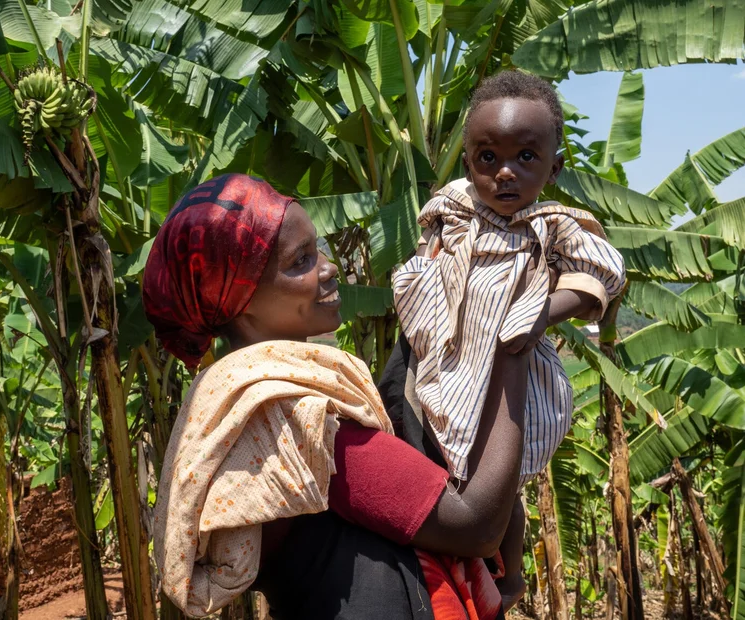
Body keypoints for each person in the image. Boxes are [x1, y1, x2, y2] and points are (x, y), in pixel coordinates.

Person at [143, 173, 531, 619]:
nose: (327, 268)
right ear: (242, 300)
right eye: (300, 261)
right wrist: (512, 347)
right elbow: (474, 525)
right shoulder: (290, 416)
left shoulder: (255, 399)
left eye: (317, 248)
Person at [390, 70, 626, 605]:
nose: (505, 174)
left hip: (512, 369)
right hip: (447, 359)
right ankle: (450, 573)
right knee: (444, 468)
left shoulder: (552, 225)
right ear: (469, 160)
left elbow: (599, 278)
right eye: (487, 158)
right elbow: (426, 249)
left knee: (502, 481)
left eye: (526, 157)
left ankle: (511, 574)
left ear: (554, 166)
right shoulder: (453, 209)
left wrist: (538, 315)